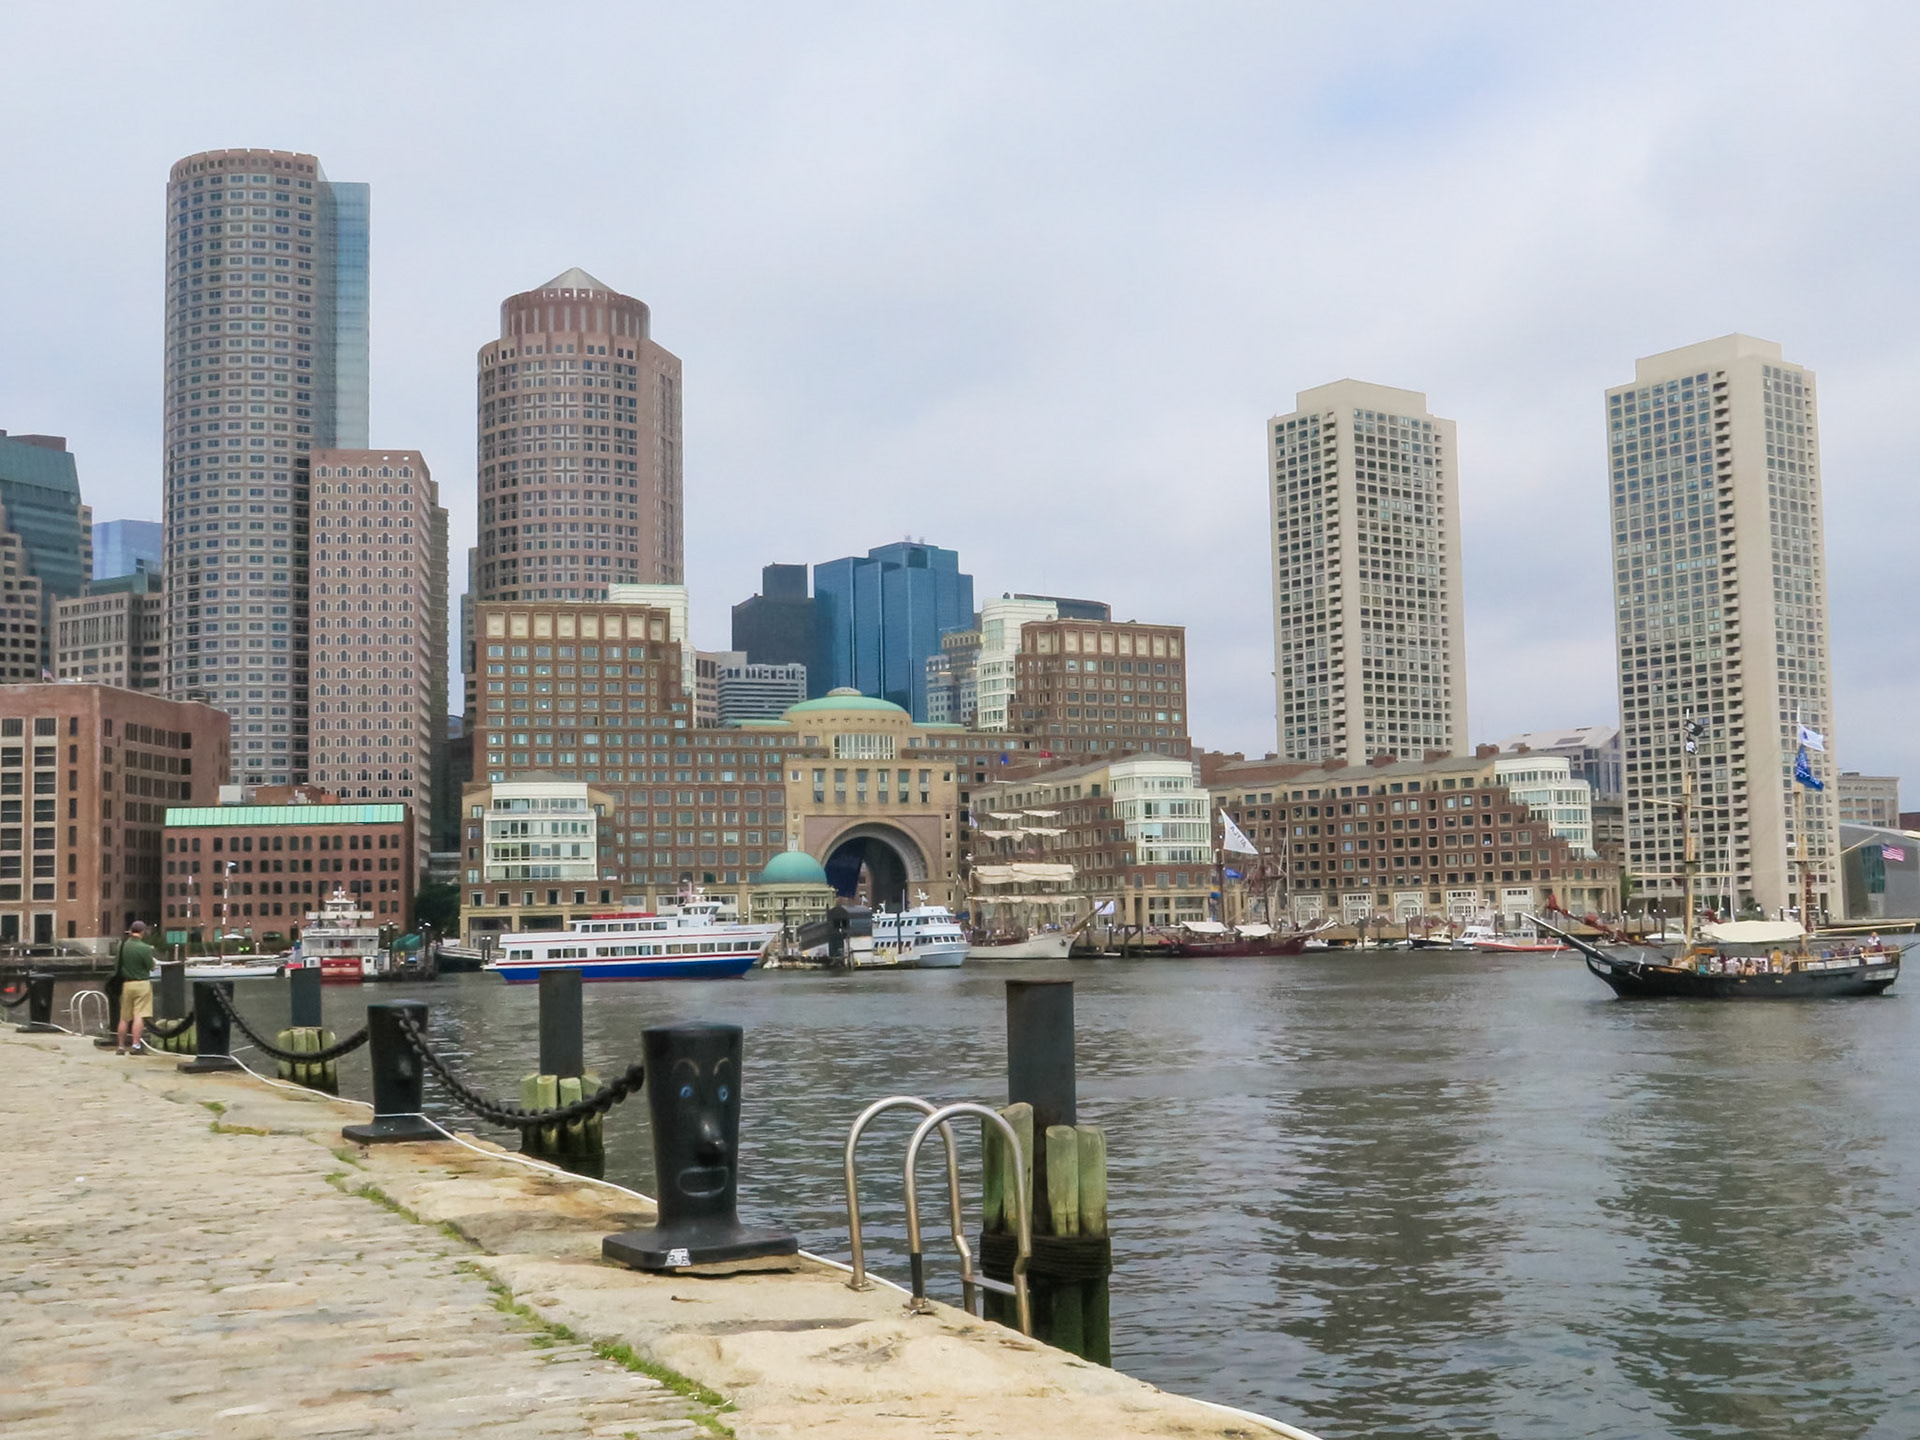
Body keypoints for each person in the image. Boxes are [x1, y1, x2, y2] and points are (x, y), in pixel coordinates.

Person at [114, 921, 157, 1055]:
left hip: (127, 984)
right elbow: (150, 966)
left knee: (124, 1017)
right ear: (143, 932)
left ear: (130, 931)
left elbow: (116, 966)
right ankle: (136, 1045)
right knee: (139, 1016)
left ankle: (121, 1047)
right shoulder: (145, 948)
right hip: (142, 983)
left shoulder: (121, 946)